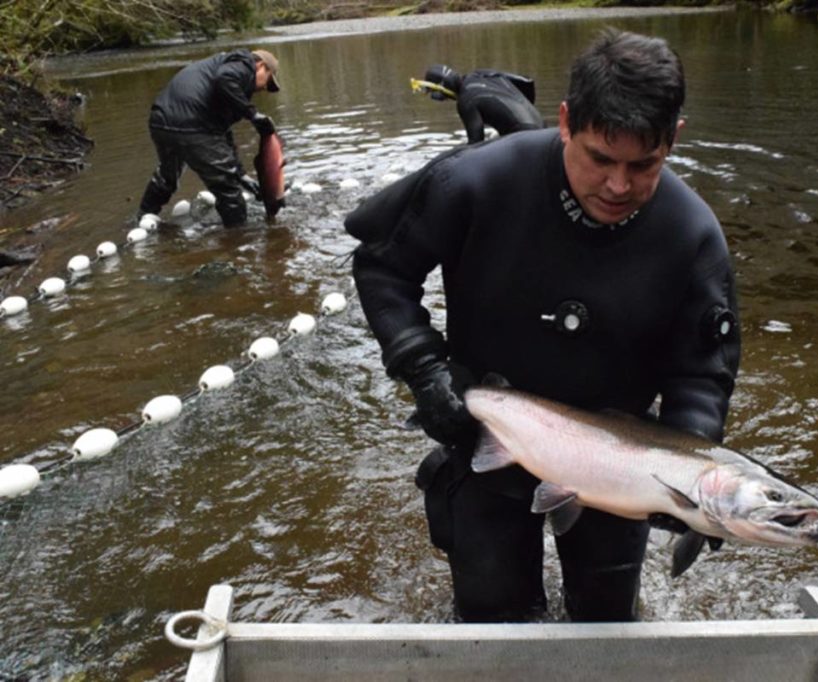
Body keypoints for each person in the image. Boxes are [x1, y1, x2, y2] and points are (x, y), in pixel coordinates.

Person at [346, 29, 741, 623]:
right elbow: (381, 264)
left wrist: (684, 470)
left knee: (607, 624)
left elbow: (702, 374)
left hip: (618, 470)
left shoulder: (692, 236)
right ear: (563, 122)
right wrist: (424, 368)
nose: (617, 186)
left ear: (673, 141)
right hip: (484, 442)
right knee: (493, 620)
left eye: (644, 166)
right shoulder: (475, 181)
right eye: (600, 158)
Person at [138, 49, 281, 228]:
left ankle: (143, 219)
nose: (263, 89)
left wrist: (241, 174)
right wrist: (253, 114)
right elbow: (224, 78)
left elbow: (222, 135)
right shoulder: (244, 64)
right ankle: (238, 240)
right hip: (192, 125)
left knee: (168, 175)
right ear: (261, 66)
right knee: (227, 189)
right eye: (268, 82)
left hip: (161, 122)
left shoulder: (224, 74)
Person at [418, 64, 544, 143]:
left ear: (442, 88)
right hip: (543, 129)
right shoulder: (481, 73)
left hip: (524, 141)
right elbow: (527, 82)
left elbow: (476, 143)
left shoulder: (466, 101)